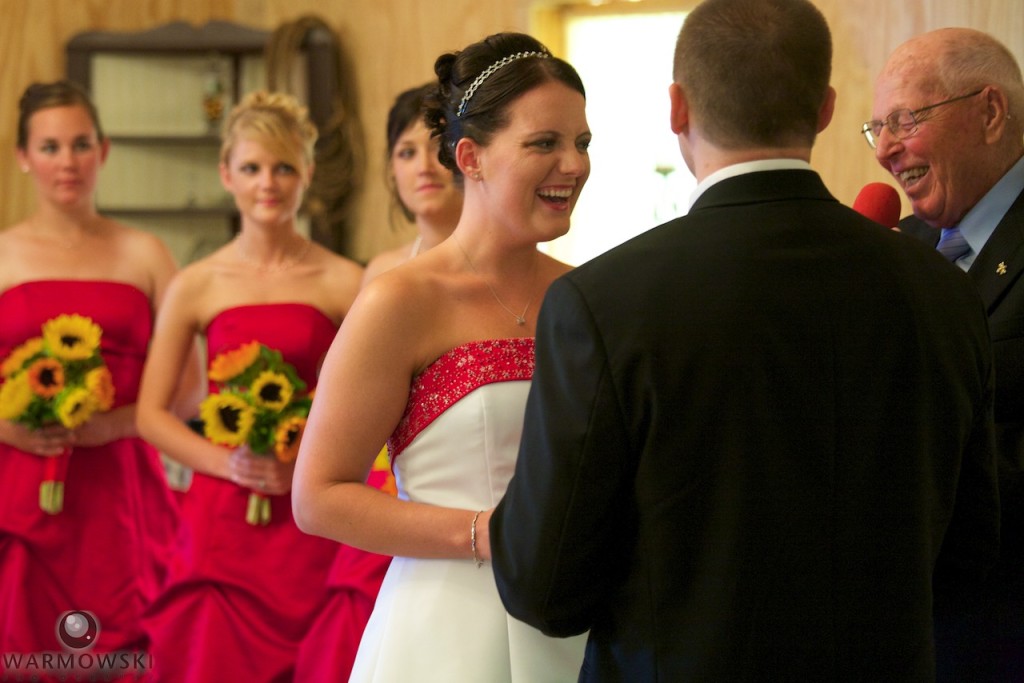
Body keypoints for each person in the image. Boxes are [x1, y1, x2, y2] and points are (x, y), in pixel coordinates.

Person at [488, 1, 1001, 681]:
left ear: (677, 107)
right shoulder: (941, 291)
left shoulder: (603, 302)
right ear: (823, 107)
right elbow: (970, 557)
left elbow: (544, 587)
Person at [292, 32, 591, 682]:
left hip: (573, 626)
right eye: (545, 143)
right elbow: (318, 495)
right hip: (444, 628)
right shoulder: (399, 300)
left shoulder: (585, 293)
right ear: (470, 156)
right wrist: (487, 532)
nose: (573, 164)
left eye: (582, 142)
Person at [137, 91, 364, 683]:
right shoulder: (195, 283)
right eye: (253, 168)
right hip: (221, 521)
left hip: (309, 512)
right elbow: (151, 415)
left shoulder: (347, 282)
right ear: (226, 175)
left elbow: (376, 408)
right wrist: (227, 463)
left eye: (285, 167)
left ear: (307, 174)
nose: (269, 183)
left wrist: (307, 466)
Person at [0, 81, 188, 662]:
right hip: (15, 487)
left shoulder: (146, 254)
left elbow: (192, 388)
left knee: (129, 647)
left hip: (122, 491)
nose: (67, 162)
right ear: (23, 157)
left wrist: (120, 423)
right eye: (50, 147)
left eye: (81, 144)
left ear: (103, 151)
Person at [868, 27, 1024, 681]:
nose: (884, 151)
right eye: (875, 128)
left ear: (989, 111)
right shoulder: (891, 250)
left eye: (906, 121)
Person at [294, 82, 463, 682]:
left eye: (436, 147)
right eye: (405, 152)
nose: (424, 166)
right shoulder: (378, 275)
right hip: (385, 492)